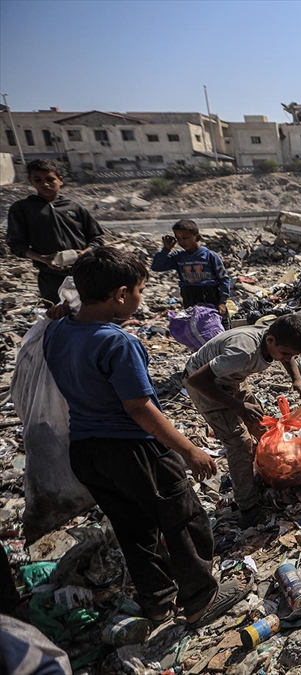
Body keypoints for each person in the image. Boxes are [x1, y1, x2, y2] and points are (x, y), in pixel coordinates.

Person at [40, 247, 243, 626]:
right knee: (184, 518)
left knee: (132, 528)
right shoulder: (119, 342)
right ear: (120, 294)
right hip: (133, 450)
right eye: (139, 291)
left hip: (86, 452)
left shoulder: (57, 331)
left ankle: (158, 601)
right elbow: (139, 408)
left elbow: (67, 330)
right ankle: (200, 600)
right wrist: (188, 450)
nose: (140, 298)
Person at [184, 316, 301, 527]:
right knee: (240, 443)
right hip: (205, 387)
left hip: (231, 379)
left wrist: (296, 378)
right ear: (270, 340)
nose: (288, 358)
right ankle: (248, 507)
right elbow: (196, 380)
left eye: (293, 355)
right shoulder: (242, 353)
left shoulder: (272, 341)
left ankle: (276, 472)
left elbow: (288, 356)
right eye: (285, 353)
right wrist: (238, 407)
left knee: (262, 426)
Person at [5, 159, 105, 306]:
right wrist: (43, 259)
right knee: (58, 316)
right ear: (30, 181)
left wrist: (85, 254)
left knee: (92, 311)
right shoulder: (22, 209)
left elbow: (97, 238)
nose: (45, 184)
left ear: (60, 180)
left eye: (50, 179)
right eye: (38, 180)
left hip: (85, 273)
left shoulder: (74, 207)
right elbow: (16, 245)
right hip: (51, 277)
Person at [151, 219, 231, 315]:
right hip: (189, 296)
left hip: (210, 295)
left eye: (185, 238)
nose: (181, 242)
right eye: (178, 238)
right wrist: (166, 249)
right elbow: (157, 266)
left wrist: (222, 302)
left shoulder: (210, 256)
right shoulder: (178, 257)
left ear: (197, 238)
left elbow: (224, 279)